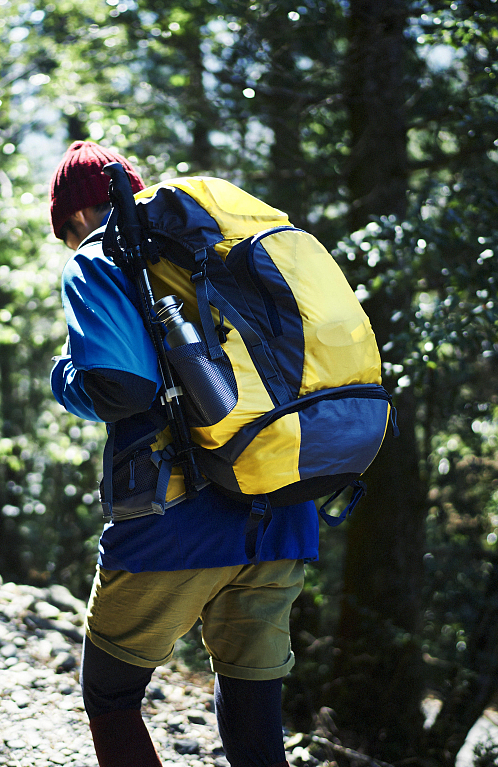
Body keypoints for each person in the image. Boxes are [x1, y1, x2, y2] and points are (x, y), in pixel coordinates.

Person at [47, 140, 321, 767]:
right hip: (283, 509)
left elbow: (123, 385)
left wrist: (66, 378)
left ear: (76, 218)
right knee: (252, 702)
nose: (69, 245)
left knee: (111, 695)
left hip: (178, 520)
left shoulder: (101, 256)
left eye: (65, 232)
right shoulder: (212, 253)